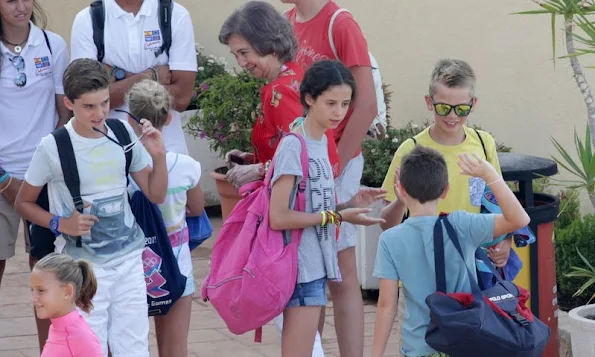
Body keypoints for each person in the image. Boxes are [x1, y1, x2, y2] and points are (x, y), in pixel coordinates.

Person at [15, 58, 168, 357]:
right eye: (89, 106)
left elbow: (155, 194)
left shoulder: (122, 133)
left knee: (134, 349)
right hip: (82, 269)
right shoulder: (53, 146)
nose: (100, 113)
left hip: (129, 261)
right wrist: (62, 224)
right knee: (87, 348)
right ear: (69, 103)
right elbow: (23, 202)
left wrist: (159, 156)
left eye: (105, 103)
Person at [269, 59, 386, 357]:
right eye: (331, 103)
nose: (339, 112)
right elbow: (279, 216)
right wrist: (336, 216)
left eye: (345, 104)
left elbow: (315, 205)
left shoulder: (321, 141)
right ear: (310, 99)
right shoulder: (296, 145)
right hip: (297, 269)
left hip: (316, 266)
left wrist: (350, 204)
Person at [371, 146, 530, 357]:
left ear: (401, 189)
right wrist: (489, 174)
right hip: (465, 342)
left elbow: (386, 306)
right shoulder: (461, 225)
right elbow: (519, 219)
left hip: (419, 346)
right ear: (446, 190)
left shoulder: (389, 240)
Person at [283, 2, 378, 354]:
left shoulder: (340, 23)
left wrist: (333, 166)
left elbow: (365, 103)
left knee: (341, 270)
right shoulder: (287, 21)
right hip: (303, 157)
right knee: (308, 271)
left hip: (335, 161)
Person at [379, 58, 514, 268]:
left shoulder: (483, 144)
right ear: (429, 102)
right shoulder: (410, 149)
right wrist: (401, 201)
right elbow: (386, 225)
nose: (452, 116)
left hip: (470, 268)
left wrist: (505, 240)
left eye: (461, 109)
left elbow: (497, 202)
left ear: (473, 104)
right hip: (421, 267)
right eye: (443, 108)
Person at [0, 0, 70, 350]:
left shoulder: (52, 45)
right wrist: (4, 181)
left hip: (44, 178)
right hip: (0, 177)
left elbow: (64, 115)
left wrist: (44, 170)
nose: (21, 5)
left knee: (48, 276)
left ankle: (51, 350)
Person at [219, 1, 340, 191]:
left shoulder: (281, 92)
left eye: (244, 53)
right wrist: (252, 159)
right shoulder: (294, 76)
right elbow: (289, 147)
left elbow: (307, 157)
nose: (241, 62)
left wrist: (258, 170)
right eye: (236, 55)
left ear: (269, 45)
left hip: (298, 209)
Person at [126, 78, 204, 357]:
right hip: (176, 262)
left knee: (128, 343)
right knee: (174, 348)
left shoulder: (125, 166)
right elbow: (196, 208)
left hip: (132, 264)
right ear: (168, 118)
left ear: (131, 119)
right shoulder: (186, 167)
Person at [70, 0, 197, 154]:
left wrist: (117, 77)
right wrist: (151, 75)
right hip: (109, 152)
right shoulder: (88, 19)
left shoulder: (174, 15)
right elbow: (88, 99)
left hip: (166, 151)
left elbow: (182, 98)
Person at [31, 253, 102, 357]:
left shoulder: (80, 337)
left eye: (41, 290)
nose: (33, 298)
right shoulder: (55, 328)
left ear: (68, 291)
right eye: (32, 289)